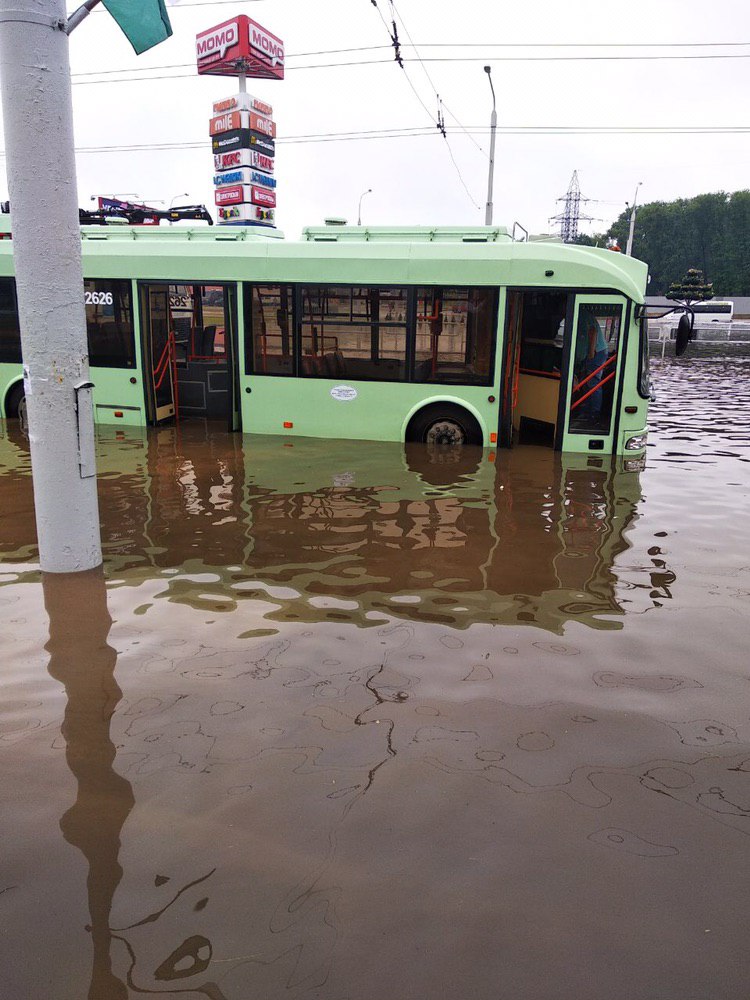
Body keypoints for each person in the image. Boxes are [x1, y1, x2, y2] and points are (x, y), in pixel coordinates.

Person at [574, 308, 608, 422]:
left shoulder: (581, 313)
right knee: (586, 382)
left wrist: (591, 353)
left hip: (596, 352)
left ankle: (594, 414)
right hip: (591, 353)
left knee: (593, 382)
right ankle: (586, 411)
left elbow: (592, 331)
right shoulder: (580, 313)